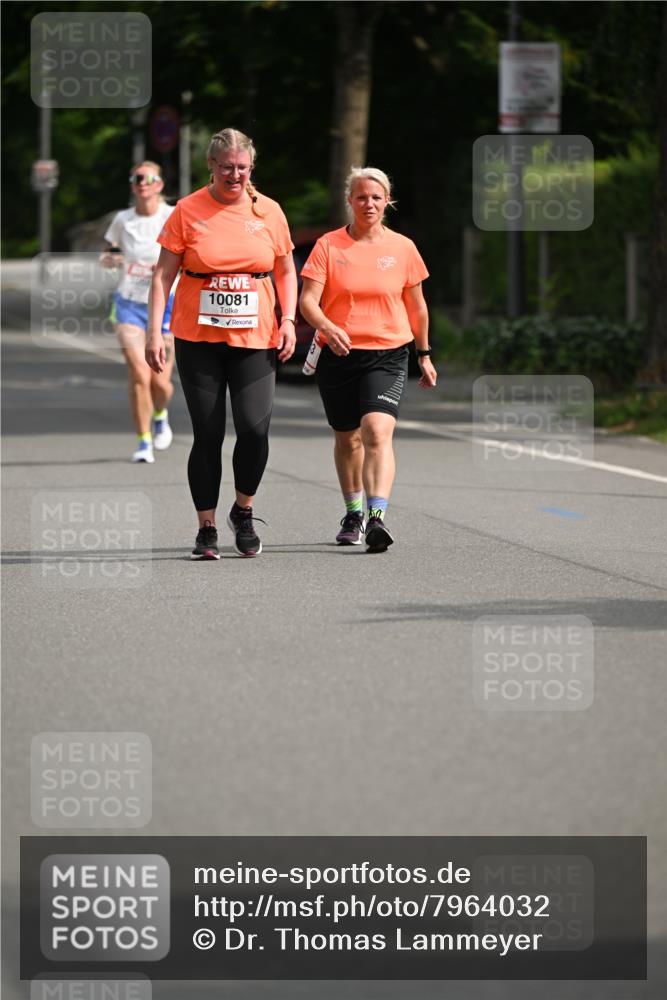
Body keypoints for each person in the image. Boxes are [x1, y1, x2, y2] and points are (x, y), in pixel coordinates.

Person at [145, 128, 297, 560]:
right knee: (208, 433)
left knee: (254, 429)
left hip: (256, 336)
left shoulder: (268, 211)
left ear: (252, 168)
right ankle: (206, 527)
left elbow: (285, 271)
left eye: (243, 168)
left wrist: (288, 320)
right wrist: (156, 332)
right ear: (210, 165)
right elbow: (162, 276)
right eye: (227, 167)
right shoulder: (187, 210)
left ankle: (243, 511)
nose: (235, 175)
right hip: (198, 337)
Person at [299, 166, 437, 553]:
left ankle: (377, 518)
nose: (369, 203)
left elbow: (418, 307)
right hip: (338, 354)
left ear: (387, 200)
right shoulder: (329, 246)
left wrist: (423, 354)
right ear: (350, 201)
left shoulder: (403, 248)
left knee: (377, 432)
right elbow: (308, 300)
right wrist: (327, 326)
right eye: (361, 197)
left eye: (376, 197)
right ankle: (353, 512)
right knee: (348, 439)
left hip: (388, 353)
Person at [102, 161, 176, 464]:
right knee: (138, 374)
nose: (142, 183)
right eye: (137, 179)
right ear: (133, 186)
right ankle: (143, 440)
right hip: (130, 303)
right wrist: (111, 260)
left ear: (159, 184)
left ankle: (160, 414)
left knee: (159, 380)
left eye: (148, 178)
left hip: (168, 304)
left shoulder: (172, 216)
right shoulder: (123, 219)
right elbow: (110, 251)